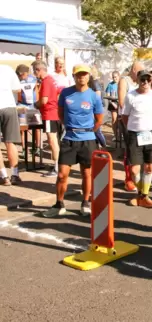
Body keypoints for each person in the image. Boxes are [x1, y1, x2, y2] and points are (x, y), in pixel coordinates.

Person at [41, 64, 103, 217]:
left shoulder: (94, 96)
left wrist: (88, 131)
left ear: (89, 76)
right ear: (74, 76)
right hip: (69, 138)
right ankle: (59, 204)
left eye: (85, 74)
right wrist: (70, 128)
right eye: (79, 74)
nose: (82, 77)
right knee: (62, 174)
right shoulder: (65, 93)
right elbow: (61, 114)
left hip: (88, 140)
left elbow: (99, 119)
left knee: (87, 173)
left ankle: (85, 202)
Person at [122, 70, 152, 208]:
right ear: (137, 80)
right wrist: (134, 127)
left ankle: (143, 196)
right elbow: (125, 116)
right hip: (135, 134)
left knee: (150, 167)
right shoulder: (130, 95)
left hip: (150, 133)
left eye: (148, 80)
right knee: (134, 170)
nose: (145, 83)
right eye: (142, 80)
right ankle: (142, 195)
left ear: (151, 81)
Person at [33, 60, 61, 178]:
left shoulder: (46, 81)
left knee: (52, 141)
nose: (34, 74)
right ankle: (57, 165)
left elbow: (44, 100)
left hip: (49, 114)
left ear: (39, 70)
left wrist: (36, 104)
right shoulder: (51, 80)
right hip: (54, 113)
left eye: (34, 71)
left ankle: (56, 168)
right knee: (54, 141)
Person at [118, 62, 143, 192]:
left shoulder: (140, 82)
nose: (141, 75)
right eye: (139, 72)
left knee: (138, 149)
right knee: (129, 149)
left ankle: (136, 176)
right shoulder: (124, 81)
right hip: (127, 119)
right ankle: (128, 180)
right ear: (133, 70)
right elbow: (122, 101)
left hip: (140, 121)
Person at [0, 64, 23, 185]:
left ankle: (4, 176)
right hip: (9, 106)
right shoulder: (7, 69)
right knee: (10, 142)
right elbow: (18, 89)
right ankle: (14, 174)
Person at [16, 64, 41, 158]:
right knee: (22, 128)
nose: (20, 76)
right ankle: (23, 149)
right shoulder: (18, 80)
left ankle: (37, 147)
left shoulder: (34, 79)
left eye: (20, 74)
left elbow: (38, 90)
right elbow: (17, 92)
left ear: (25, 73)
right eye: (19, 75)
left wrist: (37, 103)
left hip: (33, 105)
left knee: (37, 127)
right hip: (22, 105)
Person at [106, 71, 120, 141]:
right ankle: (116, 135)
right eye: (113, 77)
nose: (114, 78)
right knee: (114, 119)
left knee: (122, 120)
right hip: (113, 103)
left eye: (116, 77)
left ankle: (121, 134)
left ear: (119, 76)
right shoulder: (110, 85)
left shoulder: (121, 83)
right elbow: (107, 95)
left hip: (121, 103)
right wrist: (112, 102)